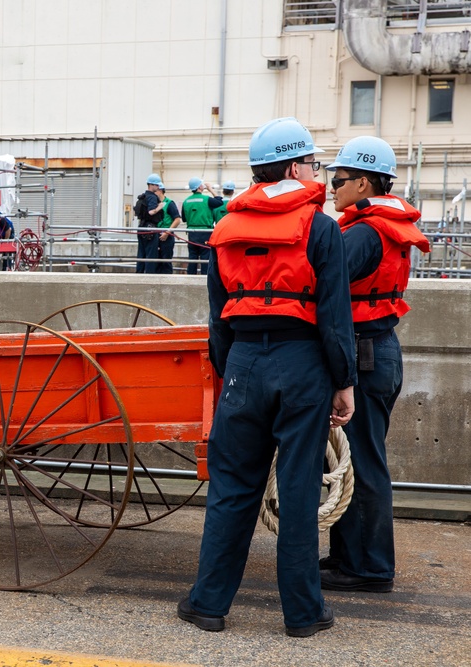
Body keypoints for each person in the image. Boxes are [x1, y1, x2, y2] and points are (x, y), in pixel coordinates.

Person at [178, 117, 357, 637]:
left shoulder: (225, 229)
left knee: (232, 487)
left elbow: (218, 319)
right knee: (298, 489)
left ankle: (208, 604)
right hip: (302, 364)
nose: (316, 173)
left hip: (242, 364)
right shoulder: (320, 227)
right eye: (313, 164)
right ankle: (303, 615)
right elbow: (334, 316)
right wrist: (342, 382)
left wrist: (234, 367)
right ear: (296, 166)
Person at [320, 137, 430, 593]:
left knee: (362, 462)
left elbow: (324, 280)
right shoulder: (379, 224)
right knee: (354, 460)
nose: (331, 187)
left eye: (339, 180)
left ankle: (369, 568)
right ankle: (348, 556)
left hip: (365, 354)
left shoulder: (365, 232)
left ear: (364, 182)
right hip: (376, 349)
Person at [181, 177, 223, 275]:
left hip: (191, 233)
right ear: (200, 186)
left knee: (192, 256)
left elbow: (184, 218)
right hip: (205, 232)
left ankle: (190, 277)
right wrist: (210, 189)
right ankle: (205, 277)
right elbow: (219, 201)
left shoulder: (186, 201)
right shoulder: (207, 199)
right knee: (205, 257)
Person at [135, 174, 166, 273]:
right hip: (151, 229)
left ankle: (139, 274)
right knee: (151, 255)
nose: (158, 187)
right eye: (156, 185)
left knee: (141, 254)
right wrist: (160, 207)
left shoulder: (143, 197)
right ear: (151, 185)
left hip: (142, 228)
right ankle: (149, 276)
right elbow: (151, 212)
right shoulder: (152, 197)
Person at [155, 189, 182, 274]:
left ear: (160, 191)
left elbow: (177, 219)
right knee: (156, 262)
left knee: (166, 261)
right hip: (156, 235)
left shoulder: (169, 203)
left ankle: (167, 281)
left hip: (167, 236)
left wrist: (168, 232)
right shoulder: (154, 203)